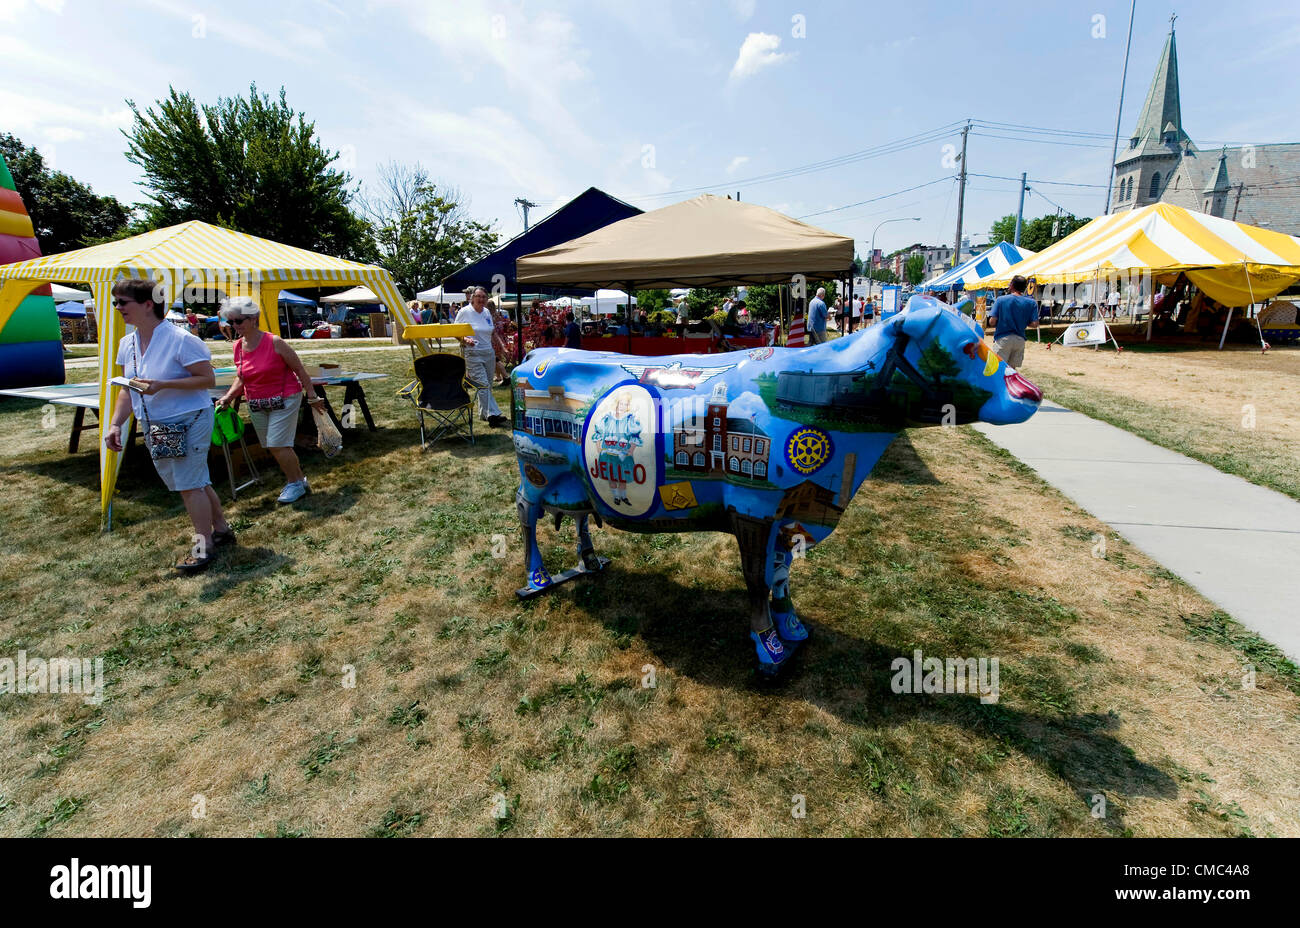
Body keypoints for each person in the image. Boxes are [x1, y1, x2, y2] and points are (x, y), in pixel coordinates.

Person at [103, 277, 232, 573]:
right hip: (156, 423)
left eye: (123, 302)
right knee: (194, 481)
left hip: (190, 418)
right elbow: (128, 388)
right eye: (116, 302)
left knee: (189, 484)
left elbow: (207, 380)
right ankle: (221, 529)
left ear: (148, 304)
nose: (117, 307)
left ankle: (204, 547)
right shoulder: (128, 343)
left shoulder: (182, 339)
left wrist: (162, 385)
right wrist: (115, 425)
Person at [215, 296, 328, 504]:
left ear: (253, 318)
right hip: (257, 402)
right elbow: (241, 376)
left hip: (286, 398)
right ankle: (299, 480)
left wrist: (312, 396)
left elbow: (299, 370)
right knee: (275, 444)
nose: (234, 326)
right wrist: (229, 396)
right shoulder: (238, 346)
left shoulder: (274, 342)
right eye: (229, 322)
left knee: (277, 443)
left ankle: (294, 484)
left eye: (238, 321)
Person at [454, 287, 508, 428]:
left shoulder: (486, 312)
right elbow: (455, 331)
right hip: (473, 353)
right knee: (483, 384)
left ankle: (484, 414)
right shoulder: (464, 312)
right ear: (472, 298)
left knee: (487, 386)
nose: (482, 299)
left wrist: (502, 346)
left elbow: (492, 332)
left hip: (488, 353)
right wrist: (465, 339)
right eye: (479, 296)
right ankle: (493, 415)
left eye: (484, 296)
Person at [987, 275, 1038, 369]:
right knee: (1011, 371)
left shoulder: (1001, 300)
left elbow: (992, 321)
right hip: (1020, 340)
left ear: (1012, 285)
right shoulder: (1032, 302)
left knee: (996, 368)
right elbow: (1035, 324)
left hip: (1003, 338)